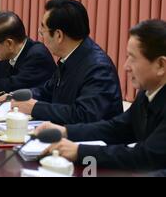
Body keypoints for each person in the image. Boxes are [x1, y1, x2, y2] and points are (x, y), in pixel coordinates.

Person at [36, 20, 166, 172]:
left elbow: (146, 157)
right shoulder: (147, 92)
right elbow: (117, 128)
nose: (126, 67)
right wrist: (65, 131)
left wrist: (79, 152)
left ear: (161, 65)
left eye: (133, 58)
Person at [0, 0, 123, 125]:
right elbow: (47, 91)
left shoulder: (98, 67)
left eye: (43, 29)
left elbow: (84, 115)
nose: (40, 33)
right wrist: (14, 96)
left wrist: (35, 108)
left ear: (58, 35)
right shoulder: (70, 56)